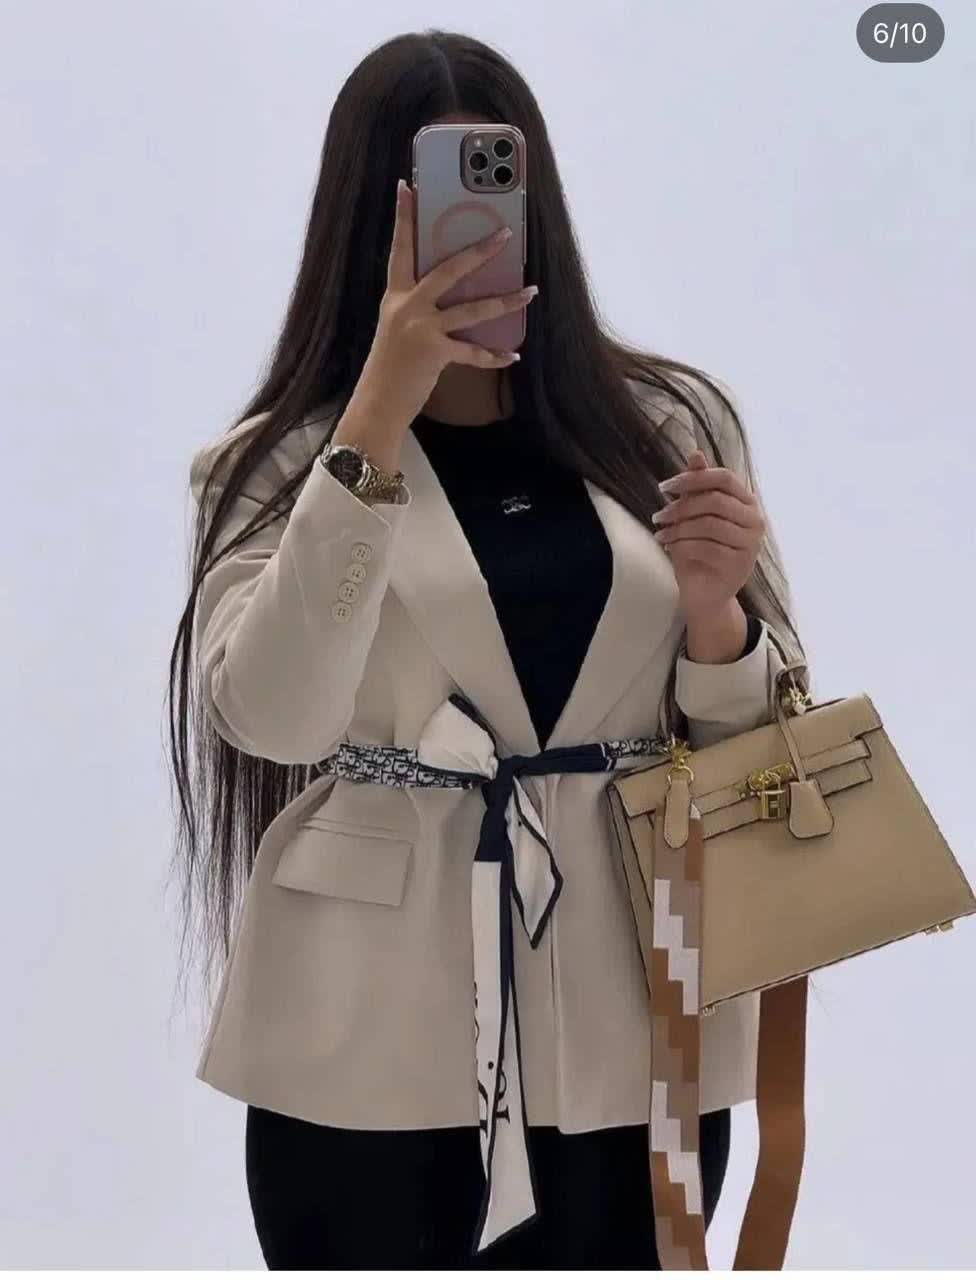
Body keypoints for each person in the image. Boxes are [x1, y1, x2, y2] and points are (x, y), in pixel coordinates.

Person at [167, 27, 809, 1270]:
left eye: (496, 194)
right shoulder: (271, 465)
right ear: (368, 229)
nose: (472, 240)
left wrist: (718, 618)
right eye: (432, 209)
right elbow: (277, 717)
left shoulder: (669, 419)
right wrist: (373, 419)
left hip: (639, 1006)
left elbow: (749, 743)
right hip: (366, 1029)